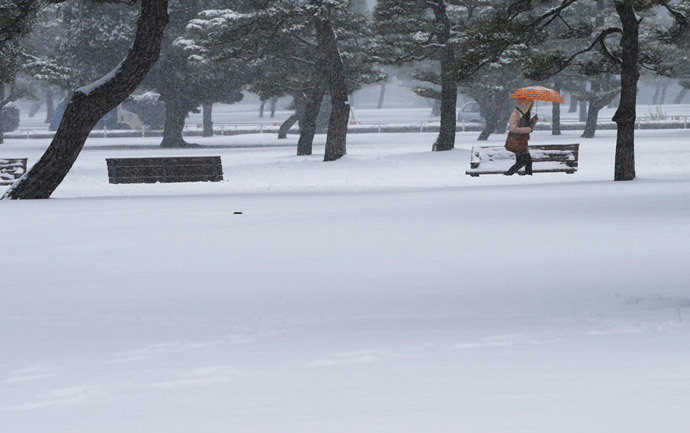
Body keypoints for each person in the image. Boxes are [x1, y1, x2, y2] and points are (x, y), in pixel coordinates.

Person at [504, 98, 538, 176]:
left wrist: (534, 121)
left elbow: (529, 128)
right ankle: (509, 174)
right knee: (525, 162)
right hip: (517, 141)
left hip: (523, 141)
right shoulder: (515, 114)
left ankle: (526, 175)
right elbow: (513, 129)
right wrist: (528, 129)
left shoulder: (524, 114)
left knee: (524, 162)